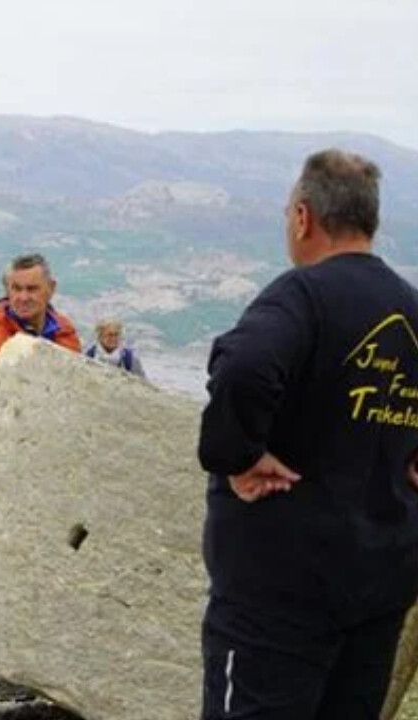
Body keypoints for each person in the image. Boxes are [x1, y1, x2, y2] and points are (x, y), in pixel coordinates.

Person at [197, 149, 418, 720]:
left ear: (303, 217)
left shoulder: (303, 297)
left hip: (280, 590)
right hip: (381, 579)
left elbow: (244, 367)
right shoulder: (409, 308)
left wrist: (237, 456)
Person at [0, 253, 80, 397]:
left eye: (32, 289)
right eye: (16, 289)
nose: (23, 297)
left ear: (51, 288)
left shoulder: (65, 333)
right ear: (7, 290)